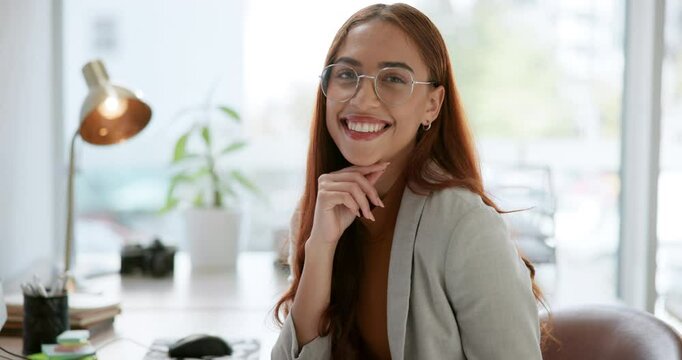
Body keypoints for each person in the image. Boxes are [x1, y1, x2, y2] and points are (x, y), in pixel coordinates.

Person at [272, 3, 544, 359]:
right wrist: (320, 248)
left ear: (432, 105)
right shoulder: (318, 213)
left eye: (394, 79)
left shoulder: (465, 227)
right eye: (346, 75)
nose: (363, 98)